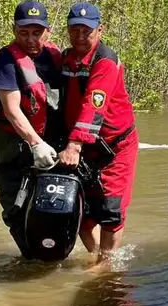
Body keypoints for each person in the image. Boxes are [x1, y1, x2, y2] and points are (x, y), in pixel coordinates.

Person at [57, 2, 139, 265]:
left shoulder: (105, 61)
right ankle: (97, 258)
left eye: (87, 31)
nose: (80, 37)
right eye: (75, 30)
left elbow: (94, 104)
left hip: (115, 146)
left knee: (111, 209)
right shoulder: (66, 58)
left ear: (100, 30)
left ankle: (106, 265)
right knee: (81, 210)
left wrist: (74, 145)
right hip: (85, 146)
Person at [0, 1, 64, 258]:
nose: (30, 39)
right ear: (14, 30)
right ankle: (29, 259)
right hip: (11, 147)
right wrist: (36, 143)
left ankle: (54, 256)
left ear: (48, 31)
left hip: (50, 142)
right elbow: (11, 110)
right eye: (23, 32)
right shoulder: (5, 61)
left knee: (55, 203)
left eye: (37, 33)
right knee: (16, 208)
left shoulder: (54, 56)